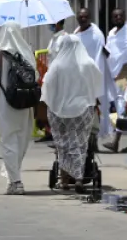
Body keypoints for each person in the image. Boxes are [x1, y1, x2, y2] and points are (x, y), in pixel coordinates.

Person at [40, 35, 102, 191]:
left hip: (59, 111)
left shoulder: (57, 65)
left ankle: (65, 179)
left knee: (62, 144)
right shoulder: (88, 63)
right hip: (82, 111)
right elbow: (98, 84)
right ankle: (79, 178)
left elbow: (47, 86)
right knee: (80, 143)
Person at [0, 22, 37, 195]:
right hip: (25, 103)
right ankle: (13, 177)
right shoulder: (27, 53)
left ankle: (16, 181)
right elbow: (36, 76)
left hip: (5, 105)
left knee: (8, 141)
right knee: (21, 140)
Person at [103, 9, 127, 153]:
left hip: (125, 73)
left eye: (120, 15)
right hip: (113, 75)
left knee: (124, 107)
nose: (118, 17)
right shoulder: (112, 33)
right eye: (115, 16)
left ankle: (118, 141)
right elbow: (110, 53)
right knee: (122, 108)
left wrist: (126, 73)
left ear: (125, 16)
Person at [74, 8, 114, 138]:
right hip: (78, 77)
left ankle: (94, 138)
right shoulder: (76, 32)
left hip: (91, 77)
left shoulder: (96, 35)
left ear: (90, 18)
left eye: (85, 16)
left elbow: (99, 59)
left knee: (93, 109)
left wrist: (95, 80)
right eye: (80, 17)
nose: (83, 19)